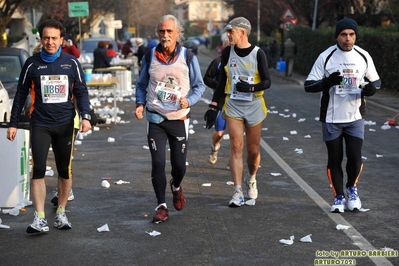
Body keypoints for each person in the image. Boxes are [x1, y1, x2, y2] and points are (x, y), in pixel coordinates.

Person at [6, 19, 92, 233]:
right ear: (41, 39)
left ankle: (61, 212)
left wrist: (86, 116)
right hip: (41, 124)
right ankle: (40, 217)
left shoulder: (71, 63)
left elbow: (81, 91)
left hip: (65, 124)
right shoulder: (32, 64)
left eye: (54, 38)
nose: (50, 42)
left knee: (65, 170)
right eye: (46, 38)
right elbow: (20, 95)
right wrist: (13, 123)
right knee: (39, 170)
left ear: (62, 40)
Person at [304, 18, 381, 213]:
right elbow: (308, 85)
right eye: (344, 35)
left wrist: (370, 90)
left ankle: (352, 189)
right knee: (335, 159)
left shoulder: (363, 55)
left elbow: (376, 82)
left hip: (355, 116)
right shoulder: (326, 57)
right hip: (331, 118)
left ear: (356, 36)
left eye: (352, 35)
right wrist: (327, 82)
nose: (348, 39)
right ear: (337, 36)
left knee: (355, 158)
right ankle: (338, 197)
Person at [135, 14, 205, 223]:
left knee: (179, 167)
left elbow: (199, 85)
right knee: (158, 163)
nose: (165, 35)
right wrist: (140, 104)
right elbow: (141, 84)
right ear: (158, 33)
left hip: (179, 119)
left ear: (177, 33)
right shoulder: (150, 56)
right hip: (156, 118)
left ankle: (176, 186)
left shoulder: (188, 56)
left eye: (169, 31)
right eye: (162, 31)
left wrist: (189, 100)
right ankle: (161, 205)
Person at [204, 17, 271, 207]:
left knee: (253, 150)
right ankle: (237, 191)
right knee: (236, 147)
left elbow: (267, 81)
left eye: (230, 31)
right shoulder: (227, 53)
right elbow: (221, 82)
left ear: (242, 32)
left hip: (254, 105)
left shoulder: (259, 53)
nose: (228, 35)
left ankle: (252, 177)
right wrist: (213, 107)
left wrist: (250, 88)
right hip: (233, 105)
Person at [203, 37, 230, 165]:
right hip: (220, 101)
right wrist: (218, 85)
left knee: (237, 135)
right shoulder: (217, 62)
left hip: (237, 103)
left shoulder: (243, 64)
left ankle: (234, 159)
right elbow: (206, 78)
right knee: (219, 133)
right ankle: (214, 148)